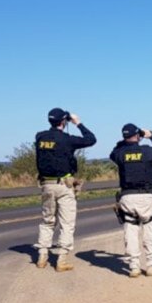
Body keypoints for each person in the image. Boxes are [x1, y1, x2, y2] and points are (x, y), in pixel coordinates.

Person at [33, 107, 97, 271]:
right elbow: (91, 139)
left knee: (47, 221)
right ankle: (61, 260)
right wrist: (78, 123)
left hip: (46, 185)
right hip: (64, 185)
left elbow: (50, 141)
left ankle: (42, 256)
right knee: (66, 223)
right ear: (63, 121)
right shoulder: (67, 139)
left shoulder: (40, 137)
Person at [110, 124, 152, 278]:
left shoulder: (120, 153)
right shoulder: (147, 151)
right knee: (150, 228)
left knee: (130, 229)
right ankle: (151, 266)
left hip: (127, 196)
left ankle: (134, 267)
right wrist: (151, 136)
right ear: (138, 136)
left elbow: (113, 153)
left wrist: (125, 140)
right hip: (146, 195)